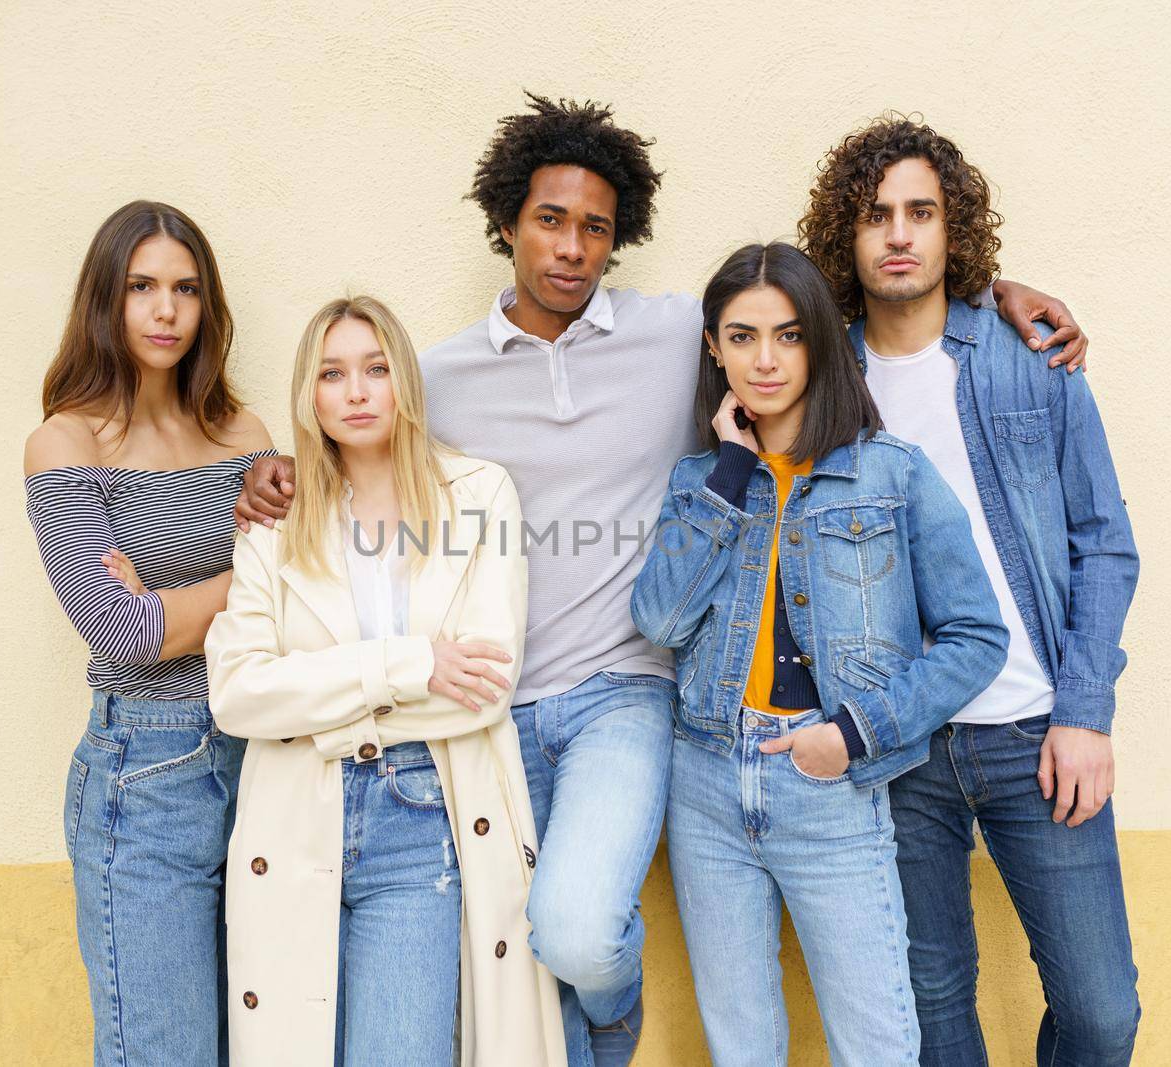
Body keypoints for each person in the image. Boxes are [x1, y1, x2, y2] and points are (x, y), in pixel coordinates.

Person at [235, 94, 1089, 1067]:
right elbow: (363, 431)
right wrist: (276, 468)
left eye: (594, 227)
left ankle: (617, 1012)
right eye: (549, 220)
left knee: (581, 926)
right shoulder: (441, 375)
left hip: (627, 698)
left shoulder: (675, 330)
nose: (570, 247)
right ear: (507, 223)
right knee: (525, 962)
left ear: (618, 237)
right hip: (494, 711)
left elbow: (804, 310)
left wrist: (993, 291)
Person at [799, 116, 1142, 1066]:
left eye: (921, 211)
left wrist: (1086, 710)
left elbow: (1105, 545)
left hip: (1038, 733)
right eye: (876, 216)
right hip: (899, 745)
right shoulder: (826, 383)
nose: (900, 233)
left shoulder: (1024, 356)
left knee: (1102, 1011)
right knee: (934, 1010)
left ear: (955, 230)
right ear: (849, 237)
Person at [630, 241, 1008, 1065]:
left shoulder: (890, 474)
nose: (764, 360)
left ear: (821, 343)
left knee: (876, 1043)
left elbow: (978, 636)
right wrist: (730, 470)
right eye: (741, 336)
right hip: (706, 779)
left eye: (789, 335)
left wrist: (856, 731)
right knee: (742, 1044)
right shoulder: (704, 479)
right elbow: (659, 620)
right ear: (712, 346)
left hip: (831, 786)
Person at [204, 295, 565, 1065]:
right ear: (311, 394)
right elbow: (237, 693)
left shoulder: (479, 494)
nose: (357, 391)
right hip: (297, 810)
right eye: (333, 374)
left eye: (375, 369)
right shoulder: (278, 517)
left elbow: (484, 686)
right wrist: (412, 663)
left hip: (422, 813)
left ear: (404, 379)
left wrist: (313, 703)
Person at [23, 199, 274, 1065]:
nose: (166, 310)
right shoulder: (66, 445)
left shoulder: (244, 435)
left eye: (185, 288)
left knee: (266, 1042)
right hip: (146, 779)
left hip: (260, 755)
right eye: (141, 287)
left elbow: (290, 599)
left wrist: (171, 603)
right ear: (106, 299)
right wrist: (237, 585)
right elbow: (121, 634)